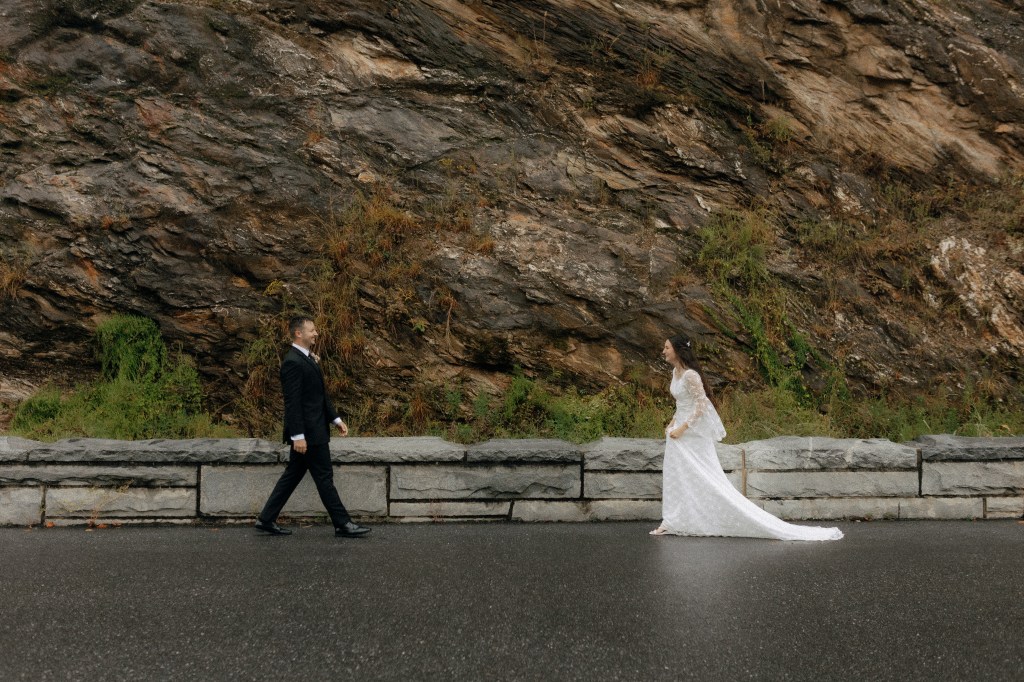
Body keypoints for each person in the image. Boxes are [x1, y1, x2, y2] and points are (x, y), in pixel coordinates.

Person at [651, 335, 842, 541]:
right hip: (678, 432)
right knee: (677, 476)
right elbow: (683, 402)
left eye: (667, 347)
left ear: (678, 351)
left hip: (692, 435)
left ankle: (711, 516)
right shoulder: (675, 373)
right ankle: (672, 519)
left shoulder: (690, 376)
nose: (664, 351)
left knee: (706, 477)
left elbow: (701, 404)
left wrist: (683, 427)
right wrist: (673, 421)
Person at [254, 316, 371, 538]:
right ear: (299, 333)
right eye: (312, 330)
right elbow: (293, 402)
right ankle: (342, 523)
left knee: (293, 476)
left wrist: (335, 419)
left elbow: (319, 395)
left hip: (315, 430)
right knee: (324, 477)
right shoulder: (292, 362)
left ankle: (266, 519)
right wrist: (298, 436)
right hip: (309, 434)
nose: (316, 333)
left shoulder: (307, 358)